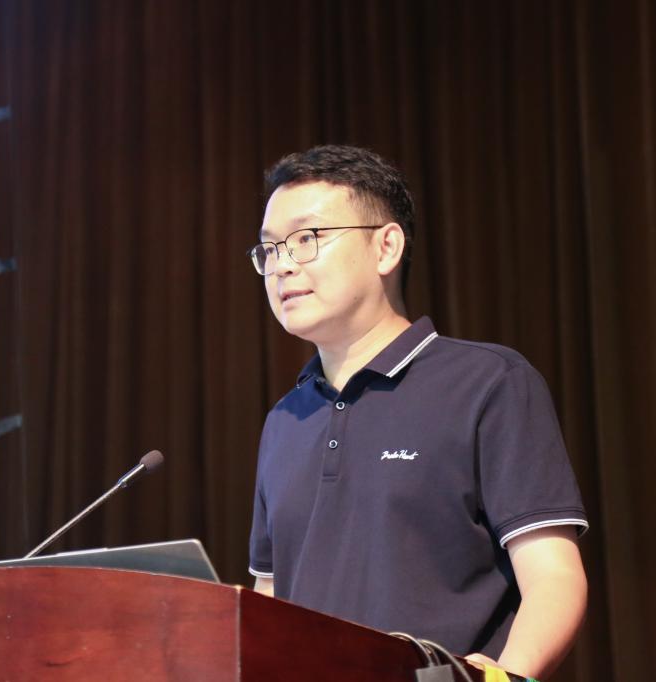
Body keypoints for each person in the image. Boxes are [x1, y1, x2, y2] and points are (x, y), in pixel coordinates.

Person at [247, 145, 588, 679]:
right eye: (269, 249)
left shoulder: (487, 382)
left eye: (306, 238)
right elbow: (270, 593)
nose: (282, 264)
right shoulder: (284, 420)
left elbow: (552, 575)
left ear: (386, 247)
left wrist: (507, 675)